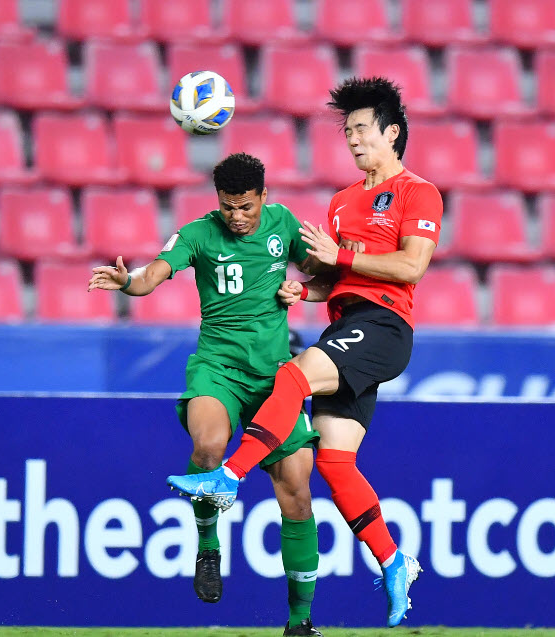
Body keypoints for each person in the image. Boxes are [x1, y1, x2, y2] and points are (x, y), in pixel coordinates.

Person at [167, 77, 443, 628]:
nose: (354, 140)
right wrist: (304, 288)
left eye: (362, 129)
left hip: (384, 324)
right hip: (346, 324)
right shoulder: (341, 202)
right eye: (347, 132)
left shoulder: (418, 192)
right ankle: (393, 561)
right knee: (336, 463)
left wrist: (341, 255)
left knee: (292, 375)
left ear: (392, 132)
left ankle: (229, 478)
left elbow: (410, 267)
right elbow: (333, 276)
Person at [88, 153, 325, 637]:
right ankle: (208, 544)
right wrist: (128, 283)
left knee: (298, 496)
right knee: (209, 447)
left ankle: (300, 623)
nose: (237, 216)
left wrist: (299, 289)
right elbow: (153, 274)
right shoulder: (198, 233)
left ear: (264, 196)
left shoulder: (285, 225)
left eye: (246, 207)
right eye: (228, 207)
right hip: (217, 368)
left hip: (276, 378)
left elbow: (324, 276)